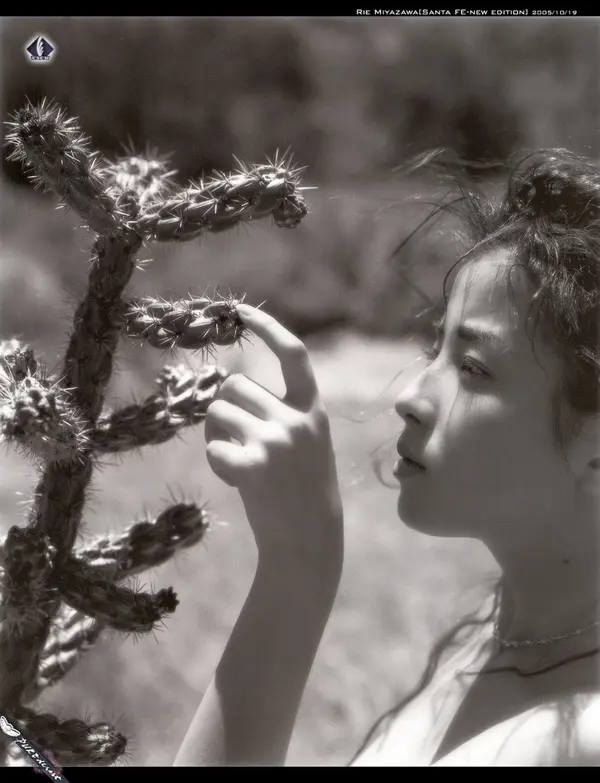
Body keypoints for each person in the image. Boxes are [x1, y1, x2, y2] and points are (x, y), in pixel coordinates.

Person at [172, 148, 600, 766]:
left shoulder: (577, 740)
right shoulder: (495, 633)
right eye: (435, 347)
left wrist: (298, 565)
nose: (411, 397)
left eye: (474, 368)